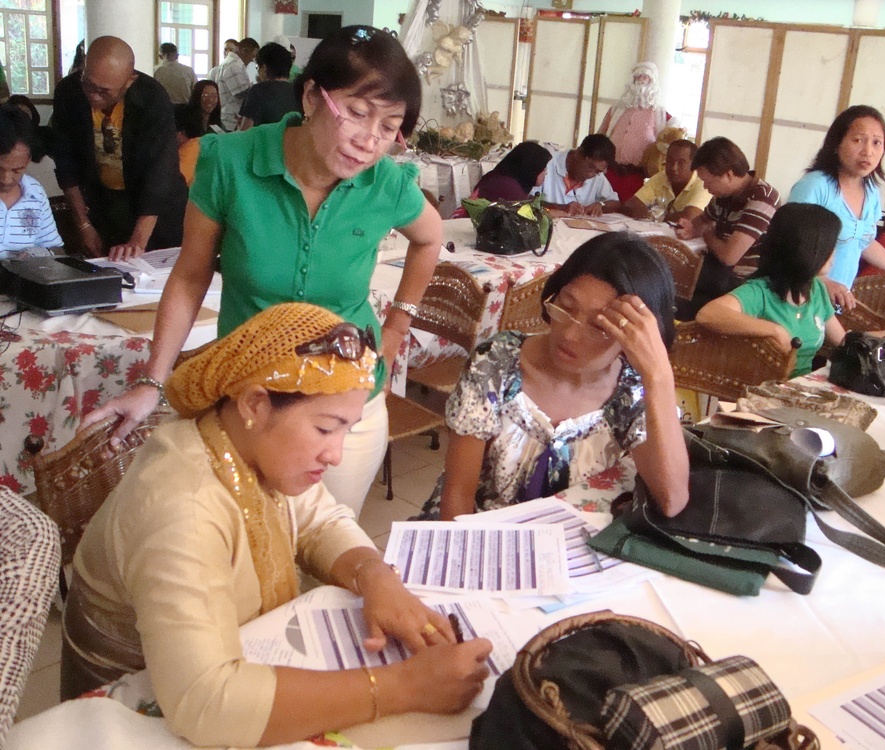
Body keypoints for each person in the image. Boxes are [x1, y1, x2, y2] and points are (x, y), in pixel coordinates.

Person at [62, 303, 493, 747]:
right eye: (326, 429)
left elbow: (319, 520)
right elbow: (206, 702)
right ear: (255, 404)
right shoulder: (182, 506)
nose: (336, 454)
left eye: (346, 430)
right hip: (133, 700)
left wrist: (375, 577)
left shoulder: (242, 440)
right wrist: (403, 688)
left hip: (222, 658)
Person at [81, 26, 443, 519]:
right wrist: (153, 381)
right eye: (357, 114)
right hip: (252, 401)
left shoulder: (385, 183)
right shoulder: (231, 162)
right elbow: (189, 277)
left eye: (389, 126)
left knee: (326, 549)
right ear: (313, 96)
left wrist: (398, 325)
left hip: (344, 405)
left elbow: (429, 238)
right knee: (238, 557)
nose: (369, 142)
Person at [418, 232, 690, 520]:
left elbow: (671, 499)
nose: (570, 335)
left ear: (634, 336)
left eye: (599, 326)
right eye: (566, 308)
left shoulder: (632, 392)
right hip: (482, 534)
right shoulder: (497, 363)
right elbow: (457, 494)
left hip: (574, 550)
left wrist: (658, 375)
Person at [696, 204, 885, 378]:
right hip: (761, 398)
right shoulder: (760, 292)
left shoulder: (815, 292)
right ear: (807, 252)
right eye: (829, 248)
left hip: (800, 392)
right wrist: (774, 330)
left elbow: (846, 341)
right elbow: (708, 314)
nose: (834, 255)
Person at [49, 36, 187, 260]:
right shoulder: (69, 93)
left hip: (157, 213)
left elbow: (161, 172)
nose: (93, 96)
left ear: (129, 81)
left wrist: (138, 241)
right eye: (88, 84)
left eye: (104, 92)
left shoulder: (152, 98)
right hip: (106, 206)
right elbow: (66, 163)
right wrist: (83, 225)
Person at [788, 105, 885, 310]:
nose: (868, 152)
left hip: (836, 302)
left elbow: (863, 242)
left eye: (877, 143)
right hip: (801, 299)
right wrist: (824, 282)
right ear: (836, 144)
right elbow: (790, 245)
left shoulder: (871, 191)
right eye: (858, 140)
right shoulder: (815, 186)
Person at [675, 136, 781, 318]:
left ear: (729, 175)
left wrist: (708, 235)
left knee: (676, 295)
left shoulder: (763, 197)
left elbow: (729, 256)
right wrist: (691, 227)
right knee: (672, 280)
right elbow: (703, 220)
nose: (706, 188)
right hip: (719, 272)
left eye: (708, 182)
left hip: (746, 281)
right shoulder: (725, 195)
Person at [597, 62, 676, 203]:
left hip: (636, 178)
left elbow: (674, 134)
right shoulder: (616, 110)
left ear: (653, 82)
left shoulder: (659, 114)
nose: (641, 81)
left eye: (646, 78)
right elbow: (599, 137)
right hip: (609, 174)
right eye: (638, 77)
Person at [0, 105, 62, 251]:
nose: (6, 179)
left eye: (17, 170)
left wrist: (35, 256)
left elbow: (55, 248)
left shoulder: (35, 192)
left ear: (28, 160)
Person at [622, 139, 711, 223]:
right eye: (669, 161)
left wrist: (657, 215)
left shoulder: (703, 182)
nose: (673, 168)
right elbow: (631, 203)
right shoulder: (662, 177)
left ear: (694, 164)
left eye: (681, 163)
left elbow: (690, 217)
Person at [533, 134, 621, 217]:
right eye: (590, 167)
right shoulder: (548, 164)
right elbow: (528, 201)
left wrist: (601, 205)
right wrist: (560, 207)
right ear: (579, 153)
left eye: (598, 172)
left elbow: (615, 203)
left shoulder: (597, 176)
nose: (592, 175)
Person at [465, 141, 551, 204]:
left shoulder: (508, 180)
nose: (546, 173)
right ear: (531, 168)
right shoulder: (508, 188)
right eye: (543, 169)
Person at [237, 42, 297, 130]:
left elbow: (245, 131)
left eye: (257, 67)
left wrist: (240, 125)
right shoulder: (298, 91)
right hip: (293, 142)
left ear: (264, 68)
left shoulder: (258, 90)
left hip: (264, 143)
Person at [218, 37, 259, 131]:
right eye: (252, 56)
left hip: (232, 118)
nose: (252, 60)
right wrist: (259, 87)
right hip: (232, 120)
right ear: (244, 51)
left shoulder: (234, 64)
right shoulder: (233, 65)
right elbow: (241, 93)